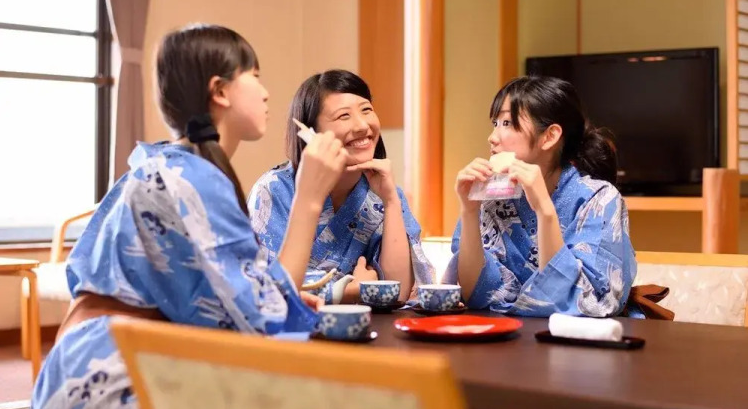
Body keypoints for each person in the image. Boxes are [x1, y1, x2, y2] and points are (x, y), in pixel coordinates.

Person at [30, 24, 347, 409]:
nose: (265, 93)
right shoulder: (192, 182)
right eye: (254, 76)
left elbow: (243, 297)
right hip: (118, 394)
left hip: (72, 381)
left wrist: (280, 294)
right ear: (219, 91)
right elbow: (265, 324)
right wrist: (310, 198)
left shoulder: (162, 167)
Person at [446, 75, 638, 319]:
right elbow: (475, 293)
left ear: (549, 136)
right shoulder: (492, 198)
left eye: (507, 123)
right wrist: (469, 210)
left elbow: (585, 302)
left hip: (577, 337)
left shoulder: (600, 199)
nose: (492, 137)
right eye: (495, 123)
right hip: (505, 333)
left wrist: (545, 210)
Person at [248, 70, 434, 304]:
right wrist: (351, 289)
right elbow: (268, 286)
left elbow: (398, 291)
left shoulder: (384, 192)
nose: (362, 125)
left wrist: (390, 202)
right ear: (312, 132)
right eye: (344, 116)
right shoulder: (274, 190)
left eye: (366, 110)